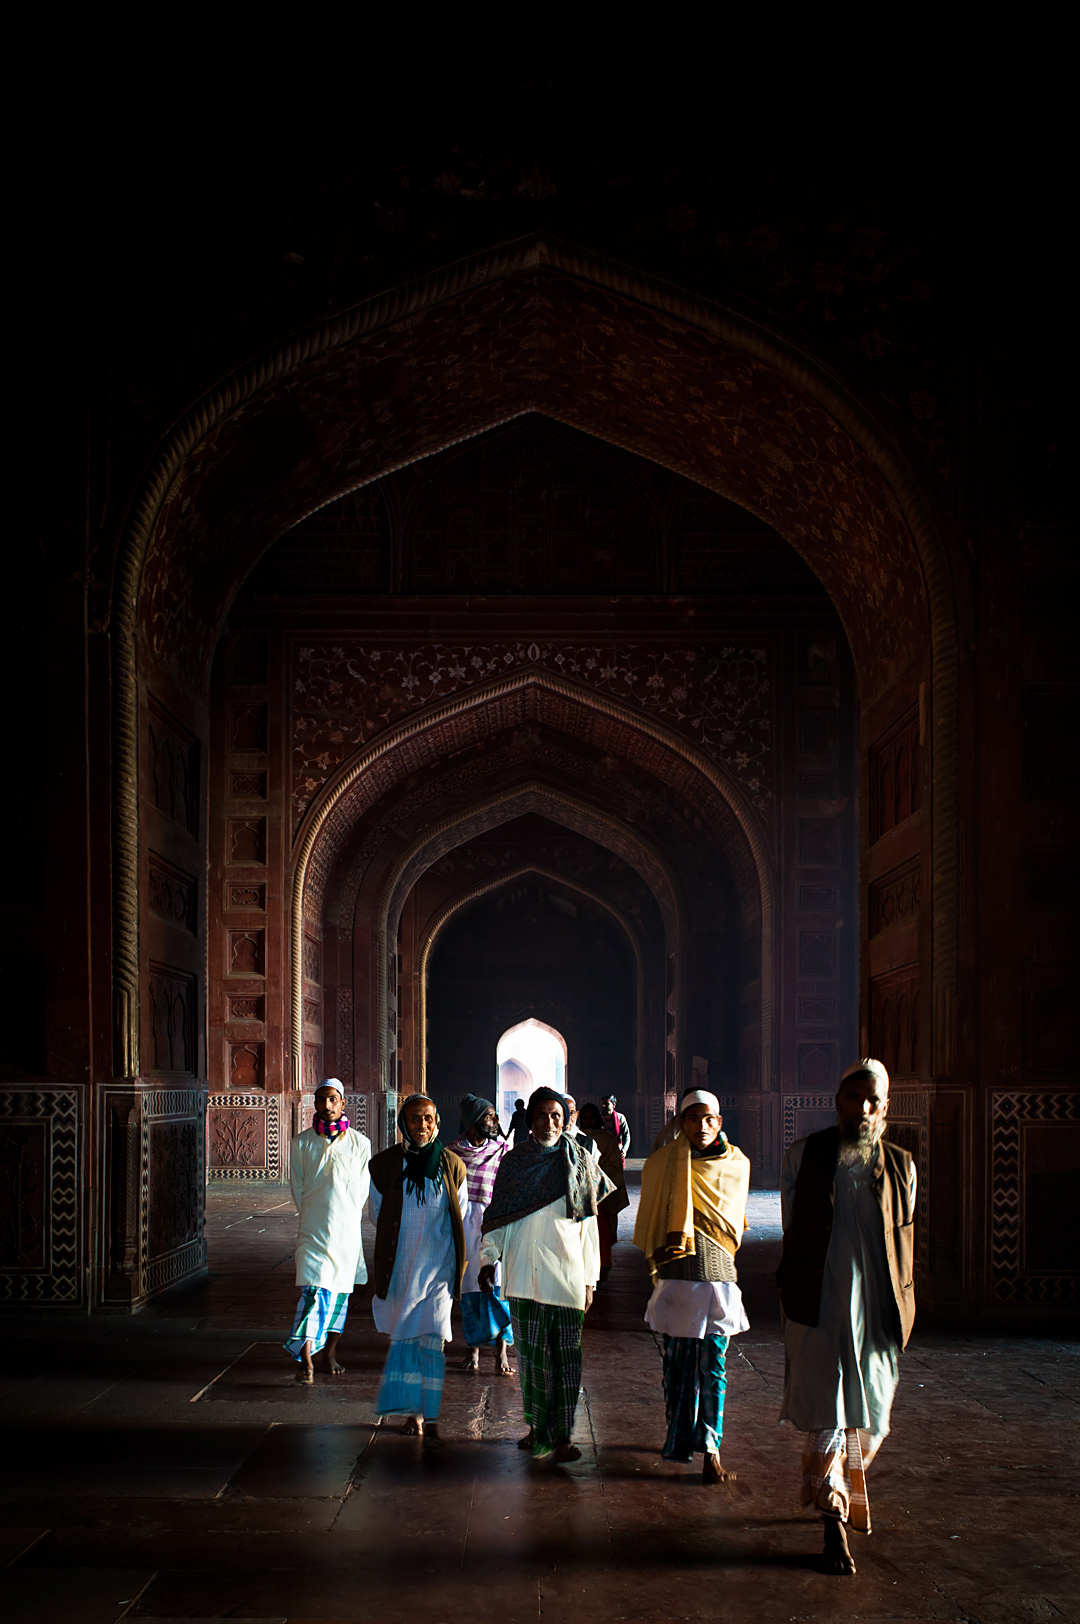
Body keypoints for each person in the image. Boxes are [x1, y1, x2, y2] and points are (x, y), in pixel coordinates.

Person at [776, 1059, 916, 1577]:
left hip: (877, 1312)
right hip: (820, 1304)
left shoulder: (902, 1165)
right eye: (852, 1097)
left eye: (872, 1101)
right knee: (830, 1410)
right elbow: (794, 1228)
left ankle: (828, 1487)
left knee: (872, 1416)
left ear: (884, 1109)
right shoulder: (804, 1156)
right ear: (837, 1101)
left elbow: (902, 1239)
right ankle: (834, 1511)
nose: (861, 1109)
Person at [478, 1087, 613, 1462]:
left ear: (565, 1119)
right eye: (542, 1115)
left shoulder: (580, 1162)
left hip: (567, 1278)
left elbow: (589, 1230)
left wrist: (590, 1280)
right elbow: (499, 1217)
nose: (550, 1122)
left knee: (567, 1362)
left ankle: (564, 1436)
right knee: (533, 1363)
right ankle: (538, 1429)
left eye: (556, 1115)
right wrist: (489, 1258)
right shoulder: (514, 1164)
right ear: (530, 1120)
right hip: (522, 1278)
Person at [634, 1089, 750, 1483]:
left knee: (714, 1369)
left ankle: (711, 1450)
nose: (701, 1126)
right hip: (679, 1279)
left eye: (709, 1119)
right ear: (680, 1123)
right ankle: (678, 1437)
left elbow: (734, 1222)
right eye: (692, 1119)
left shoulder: (736, 1165)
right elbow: (651, 1207)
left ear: (720, 1122)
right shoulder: (664, 1163)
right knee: (678, 1368)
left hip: (718, 1279)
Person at [368, 1094, 468, 1448]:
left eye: (428, 1119)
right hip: (400, 1266)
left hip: (439, 1266)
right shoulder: (383, 1166)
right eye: (414, 1120)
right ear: (402, 1125)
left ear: (437, 1123)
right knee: (406, 1338)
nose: (421, 1126)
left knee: (433, 1337)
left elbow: (460, 1213)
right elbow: (375, 1214)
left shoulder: (452, 1165)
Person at [284, 1080, 371, 1385]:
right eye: (321, 1100)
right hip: (314, 1229)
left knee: (340, 1297)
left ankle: (329, 1353)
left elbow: (362, 1191)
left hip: (346, 1232)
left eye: (333, 1099)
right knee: (314, 1293)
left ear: (342, 1103)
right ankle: (305, 1357)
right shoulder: (301, 1143)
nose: (327, 1105)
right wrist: (315, 1213)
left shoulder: (360, 1143)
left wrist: (346, 1215)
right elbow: (297, 1187)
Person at [449, 1093, 514, 1375]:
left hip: (494, 1225)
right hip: (464, 1226)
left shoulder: (501, 1152)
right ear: (473, 1123)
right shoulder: (452, 1154)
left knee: (498, 1287)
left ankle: (502, 1353)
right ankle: (473, 1350)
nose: (495, 1121)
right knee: (470, 1290)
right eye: (489, 1116)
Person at [577, 1102, 630, 1279]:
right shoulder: (574, 1137)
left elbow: (614, 1167)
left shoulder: (607, 1139)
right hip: (581, 1194)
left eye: (592, 1117)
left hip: (601, 1193)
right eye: (585, 1117)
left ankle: (604, 1263)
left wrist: (595, 1175)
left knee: (602, 1232)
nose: (588, 1120)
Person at [600, 1093, 631, 1159]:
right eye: (603, 1104)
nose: (604, 1106)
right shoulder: (598, 1119)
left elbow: (626, 1135)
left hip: (617, 1151)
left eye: (607, 1104)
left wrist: (624, 1150)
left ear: (613, 1105)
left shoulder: (620, 1118)